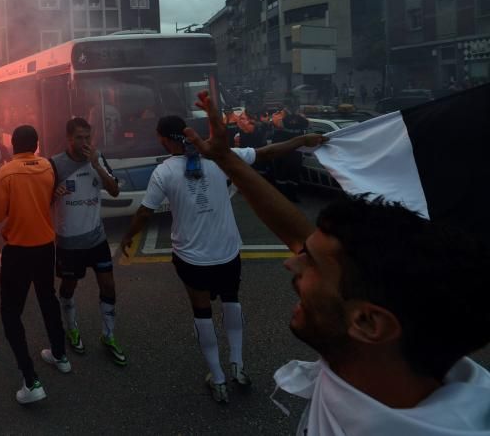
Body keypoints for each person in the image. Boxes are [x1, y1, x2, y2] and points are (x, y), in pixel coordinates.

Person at [181, 90, 490, 433]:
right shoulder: (375, 357)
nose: (291, 264)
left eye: (310, 264)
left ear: (369, 322)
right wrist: (226, 158)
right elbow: (299, 235)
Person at [120, 115, 326, 403]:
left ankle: (217, 379)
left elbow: (144, 212)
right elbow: (268, 152)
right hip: (227, 252)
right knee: (232, 302)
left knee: (202, 314)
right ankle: (238, 367)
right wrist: (303, 140)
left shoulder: (163, 172)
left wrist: (129, 236)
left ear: (164, 140)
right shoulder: (220, 158)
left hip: (191, 258)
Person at [0, 125, 69, 405]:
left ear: (14, 146)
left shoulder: (5, 172)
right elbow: (49, 198)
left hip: (19, 250)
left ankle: (31, 380)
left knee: (11, 313)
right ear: (36, 145)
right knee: (48, 298)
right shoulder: (48, 167)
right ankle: (60, 355)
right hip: (46, 246)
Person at [51, 118, 125, 365]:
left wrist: (97, 165)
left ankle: (109, 335)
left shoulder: (97, 157)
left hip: (96, 238)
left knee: (109, 286)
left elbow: (114, 190)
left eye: (87, 137)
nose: (84, 143)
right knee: (69, 288)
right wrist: (53, 194)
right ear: (68, 139)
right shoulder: (55, 164)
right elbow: (42, 201)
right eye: (79, 138)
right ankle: (71, 327)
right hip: (69, 243)